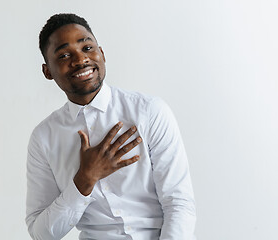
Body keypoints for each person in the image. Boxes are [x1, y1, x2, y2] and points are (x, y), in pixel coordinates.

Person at [26, 13, 196, 240]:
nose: (80, 60)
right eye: (65, 55)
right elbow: (41, 234)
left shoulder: (150, 111)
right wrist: (84, 180)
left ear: (101, 53)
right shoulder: (44, 138)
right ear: (48, 71)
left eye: (87, 47)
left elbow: (179, 203)